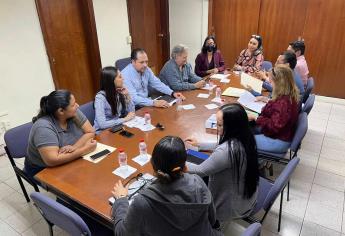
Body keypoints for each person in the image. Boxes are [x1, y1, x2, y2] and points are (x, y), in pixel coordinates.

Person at [111, 136, 222, 236]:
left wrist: (121, 199)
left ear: (152, 164)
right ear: (185, 167)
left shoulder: (142, 202)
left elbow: (123, 233)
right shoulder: (198, 182)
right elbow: (212, 220)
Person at [185, 103, 259, 230]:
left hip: (233, 205)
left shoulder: (227, 151)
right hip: (248, 193)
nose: (216, 127)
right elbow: (223, 146)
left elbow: (200, 170)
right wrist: (200, 144)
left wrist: (176, 161)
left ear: (232, 126)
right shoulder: (245, 136)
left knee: (188, 188)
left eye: (219, 125)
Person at [25, 90, 96, 181]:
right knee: (78, 182)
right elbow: (52, 160)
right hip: (42, 169)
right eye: (73, 105)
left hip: (67, 158)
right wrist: (84, 150)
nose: (77, 105)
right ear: (61, 111)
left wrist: (74, 147)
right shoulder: (43, 127)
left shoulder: (73, 112)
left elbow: (90, 132)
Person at [249, 65, 300, 153]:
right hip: (279, 134)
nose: (270, 83)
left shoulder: (284, 103)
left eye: (271, 81)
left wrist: (256, 118)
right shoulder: (287, 95)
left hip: (278, 140)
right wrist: (267, 101)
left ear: (279, 83)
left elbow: (273, 127)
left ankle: (250, 163)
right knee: (244, 128)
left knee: (241, 139)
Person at [94, 66, 135, 133]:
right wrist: (124, 119)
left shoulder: (118, 91)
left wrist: (127, 96)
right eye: (120, 77)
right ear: (111, 80)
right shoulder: (100, 98)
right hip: (102, 132)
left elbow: (132, 113)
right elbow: (102, 124)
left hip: (116, 128)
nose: (123, 79)